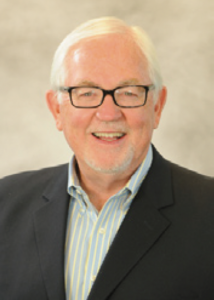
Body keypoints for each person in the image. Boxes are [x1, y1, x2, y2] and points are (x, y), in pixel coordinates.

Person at [0, 16, 214, 300]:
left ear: (158, 106)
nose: (109, 113)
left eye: (128, 92)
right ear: (56, 110)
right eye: (86, 93)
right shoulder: (5, 206)